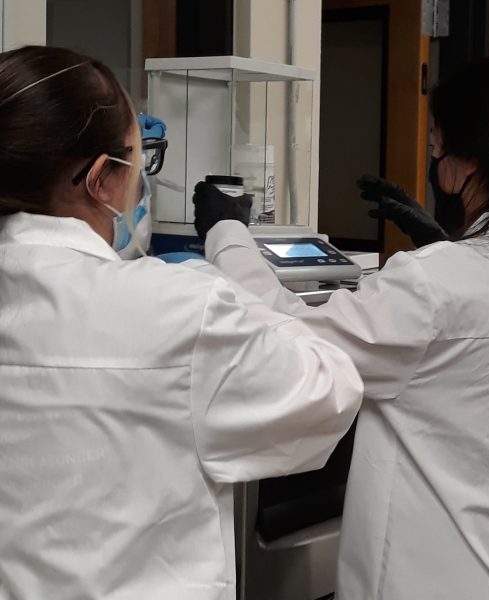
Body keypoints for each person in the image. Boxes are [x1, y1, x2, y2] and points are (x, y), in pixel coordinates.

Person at [193, 56, 489, 599]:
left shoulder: (434, 285)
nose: (434, 164)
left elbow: (288, 335)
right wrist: (444, 247)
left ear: (468, 167)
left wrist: (226, 232)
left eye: (437, 148)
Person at [0, 46, 363, 599]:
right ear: (101, 179)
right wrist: (237, 295)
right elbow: (327, 391)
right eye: (137, 159)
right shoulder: (176, 308)